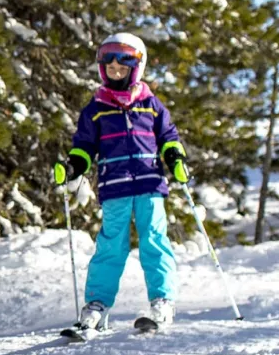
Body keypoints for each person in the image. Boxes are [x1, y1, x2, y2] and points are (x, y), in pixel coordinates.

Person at [53, 32, 190, 335]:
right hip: (115, 187)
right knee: (110, 246)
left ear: (135, 70)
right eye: (110, 70)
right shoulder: (96, 108)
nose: (116, 75)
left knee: (154, 241)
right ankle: (97, 307)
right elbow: (84, 145)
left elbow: (169, 137)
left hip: (149, 185)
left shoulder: (152, 106)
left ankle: (163, 302)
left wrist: (176, 161)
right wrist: (73, 165)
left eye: (122, 70)